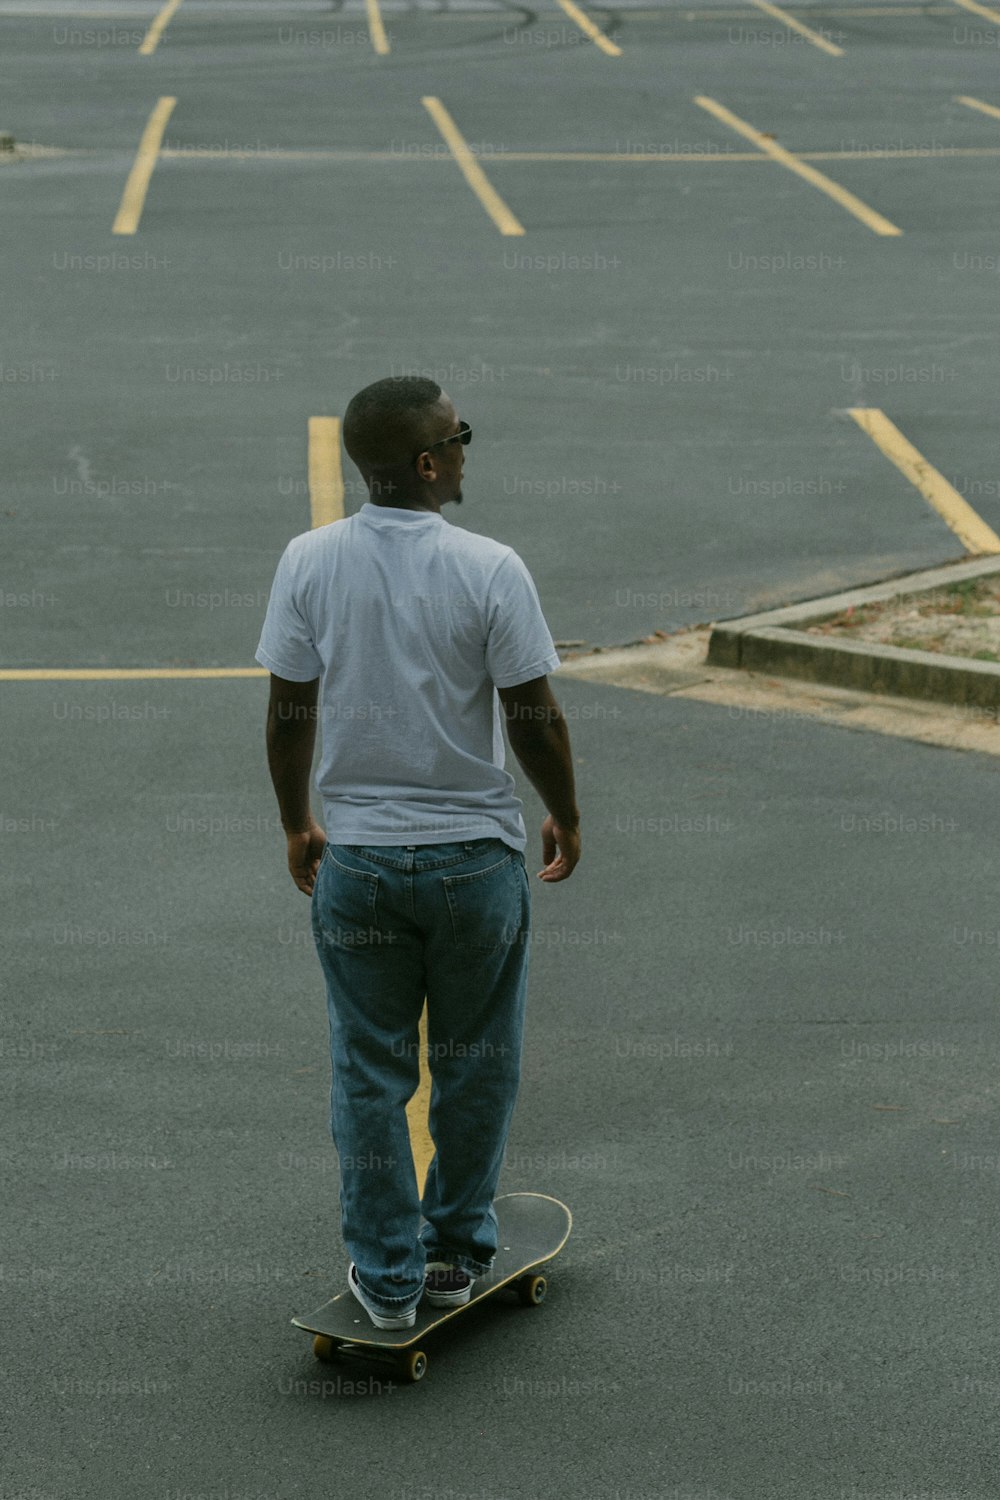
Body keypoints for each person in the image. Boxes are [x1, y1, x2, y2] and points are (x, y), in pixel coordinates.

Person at [255, 375, 581, 1330]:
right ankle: (453, 1258)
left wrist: (295, 822)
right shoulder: (490, 567)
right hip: (474, 863)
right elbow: (532, 714)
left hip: (356, 865)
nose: (469, 448)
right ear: (429, 464)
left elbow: (287, 708)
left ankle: (386, 1281)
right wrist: (565, 811)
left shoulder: (308, 561)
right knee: (476, 1064)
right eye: (460, 435)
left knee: (369, 1072)